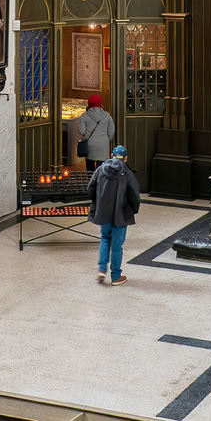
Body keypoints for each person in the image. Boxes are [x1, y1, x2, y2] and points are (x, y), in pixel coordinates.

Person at [88, 145, 140, 287]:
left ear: (112, 155)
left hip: (103, 212)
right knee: (117, 245)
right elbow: (134, 195)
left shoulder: (100, 170)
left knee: (105, 238)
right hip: (120, 215)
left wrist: (96, 204)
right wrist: (133, 210)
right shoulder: (127, 173)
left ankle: (101, 270)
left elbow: (90, 188)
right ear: (125, 158)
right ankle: (116, 276)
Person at [75, 94, 114, 171]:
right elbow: (111, 132)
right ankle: (99, 182)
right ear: (100, 104)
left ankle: (91, 181)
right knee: (101, 170)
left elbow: (82, 131)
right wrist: (105, 140)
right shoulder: (107, 116)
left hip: (90, 146)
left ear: (89, 104)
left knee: (90, 169)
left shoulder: (84, 116)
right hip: (103, 146)